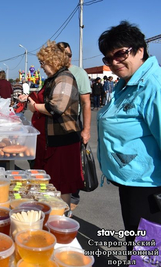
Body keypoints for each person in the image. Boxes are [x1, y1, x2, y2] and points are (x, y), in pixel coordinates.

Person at [97, 21, 161, 253]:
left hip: (150, 188)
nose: (114, 61)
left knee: (147, 254)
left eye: (120, 53)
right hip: (132, 184)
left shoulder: (153, 85)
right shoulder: (125, 85)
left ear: (140, 50)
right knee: (137, 248)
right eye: (108, 58)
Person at [19, 41, 83, 209]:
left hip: (63, 140)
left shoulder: (65, 78)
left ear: (54, 60)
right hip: (54, 140)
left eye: (43, 63)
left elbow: (57, 107)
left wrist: (35, 107)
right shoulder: (54, 78)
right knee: (54, 183)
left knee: (62, 184)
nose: (42, 67)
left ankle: (61, 217)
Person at [57, 42, 92, 210]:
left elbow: (86, 103)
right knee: (58, 167)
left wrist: (86, 130)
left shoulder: (79, 73)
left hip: (72, 124)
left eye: (69, 55)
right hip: (54, 126)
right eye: (64, 54)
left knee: (73, 167)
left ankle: (72, 205)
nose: (67, 58)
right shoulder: (54, 74)